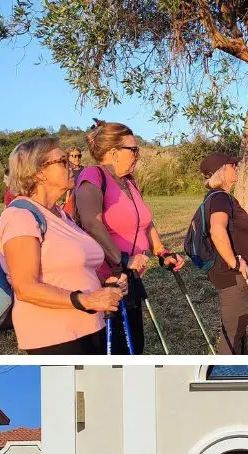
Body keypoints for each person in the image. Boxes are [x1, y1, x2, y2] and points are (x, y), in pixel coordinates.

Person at [0, 137, 123, 354]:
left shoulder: (61, 215)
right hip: (55, 336)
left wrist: (106, 285)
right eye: (63, 161)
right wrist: (86, 299)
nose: (72, 166)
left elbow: (73, 267)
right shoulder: (20, 217)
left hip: (91, 324)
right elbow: (25, 288)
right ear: (39, 172)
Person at [74, 120, 183, 354]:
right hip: (105, 280)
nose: (137, 155)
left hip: (130, 277)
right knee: (116, 350)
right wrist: (122, 258)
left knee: (135, 345)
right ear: (113, 152)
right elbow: (92, 223)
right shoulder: (92, 176)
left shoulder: (129, 182)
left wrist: (162, 251)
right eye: (133, 149)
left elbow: (146, 221)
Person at [199, 153, 248, 354]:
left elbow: (232, 229)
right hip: (232, 274)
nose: (236, 167)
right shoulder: (220, 198)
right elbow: (217, 231)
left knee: (238, 327)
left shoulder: (222, 198)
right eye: (232, 165)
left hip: (234, 273)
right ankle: (227, 370)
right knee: (233, 330)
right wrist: (235, 263)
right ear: (221, 171)